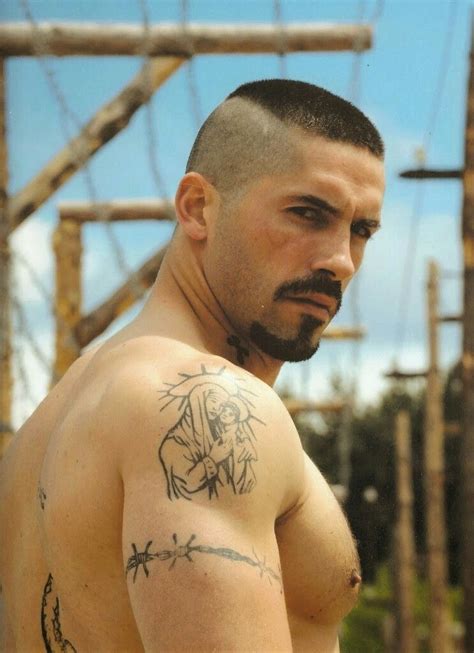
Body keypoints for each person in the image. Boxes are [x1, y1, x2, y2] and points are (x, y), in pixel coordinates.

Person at [0, 79, 385, 652]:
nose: (341, 261)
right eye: (307, 213)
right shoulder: (210, 404)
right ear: (198, 207)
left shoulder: (44, 427)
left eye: (360, 230)